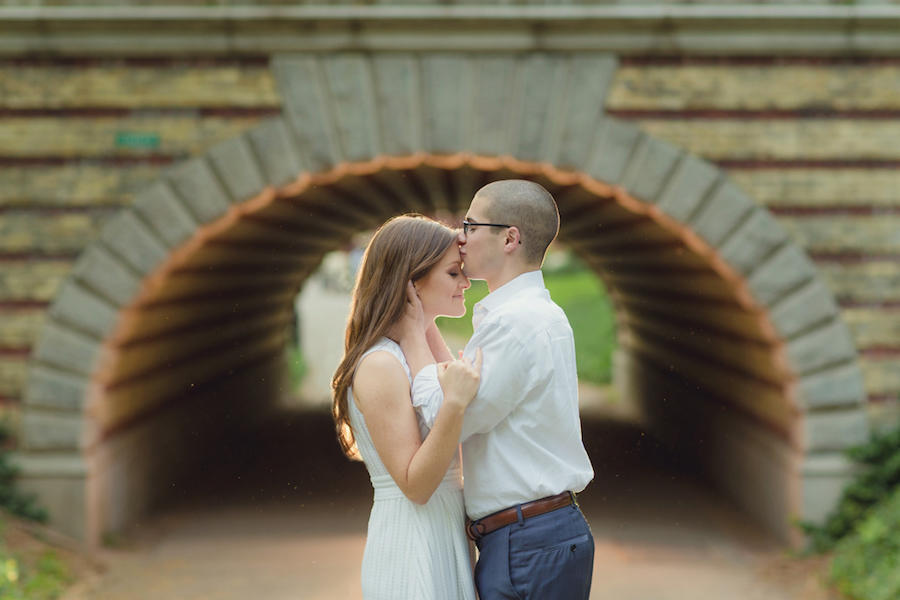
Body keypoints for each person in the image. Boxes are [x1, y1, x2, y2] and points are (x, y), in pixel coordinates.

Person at [401, 180, 595, 599]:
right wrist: (428, 326)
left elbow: (448, 416)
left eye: (470, 225)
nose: (459, 235)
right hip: (534, 535)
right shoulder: (531, 315)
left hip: (527, 540)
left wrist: (410, 333)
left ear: (510, 237)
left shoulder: (515, 324)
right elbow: (463, 390)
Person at [331, 214, 482, 600]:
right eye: (453, 273)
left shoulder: (416, 349)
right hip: (413, 541)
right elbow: (415, 485)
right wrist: (454, 406)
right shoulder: (381, 364)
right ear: (412, 282)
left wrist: (421, 325)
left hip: (441, 531)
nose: (465, 282)